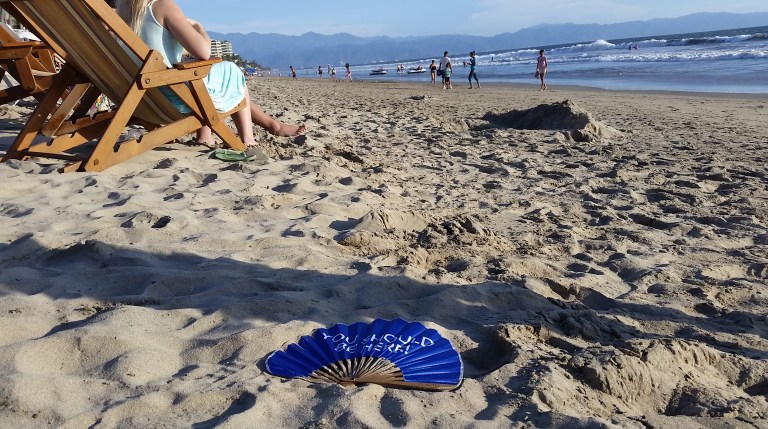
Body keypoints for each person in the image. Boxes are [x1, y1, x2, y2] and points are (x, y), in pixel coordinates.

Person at [116, 0, 305, 149]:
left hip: (142, 99)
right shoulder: (163, 6)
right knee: (231, 71)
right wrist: (199, 27)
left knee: (206, 79)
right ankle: (248, 140)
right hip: (174, 100)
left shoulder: (123, 14)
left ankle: (208, 135)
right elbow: (204, 52)